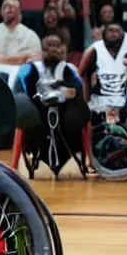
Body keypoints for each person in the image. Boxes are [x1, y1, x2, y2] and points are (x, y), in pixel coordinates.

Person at [14, 34, 90, 171]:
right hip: (37, 119)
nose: (53, 50)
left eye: (56, 46)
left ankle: (84, 160)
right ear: (40, 51)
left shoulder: (70, 69)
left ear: (63, 49)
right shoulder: (29, 69)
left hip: (65, 120)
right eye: (48, 47)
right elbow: (26, 92)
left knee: (79, 107)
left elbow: (76, 93)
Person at [79, 23, 127, 122]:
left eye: (117, 31)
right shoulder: (94, 50)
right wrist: (86, 96)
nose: (114, 34)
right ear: (104, 34)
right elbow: (82, 73)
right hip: (103, 96)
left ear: (122, 34)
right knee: (108, 123)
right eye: (111, 31)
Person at [0, 0, 42, 89]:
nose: (9, 9)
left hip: (23, 79)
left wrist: (2, 60)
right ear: (1, 12)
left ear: (20, 13)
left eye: (13, 6)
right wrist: (20, 59)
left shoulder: (30, 34)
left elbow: (35, 57)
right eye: (6, 6)